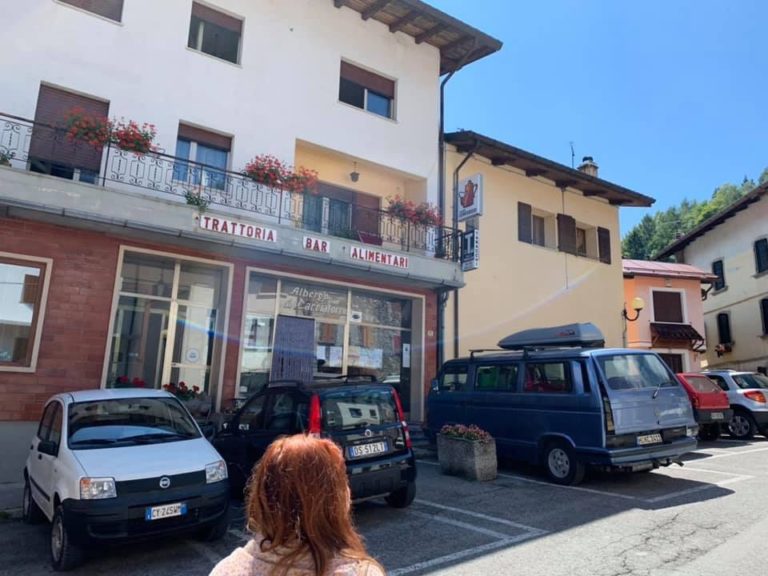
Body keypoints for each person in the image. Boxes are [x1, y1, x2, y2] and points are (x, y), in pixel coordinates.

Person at [210, 434, 385, 576]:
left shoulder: (227, 570)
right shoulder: (360, 572)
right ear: (337, 500)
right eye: (343, 483)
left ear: (262, 496)